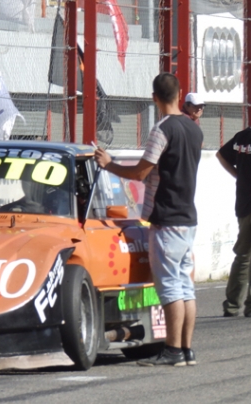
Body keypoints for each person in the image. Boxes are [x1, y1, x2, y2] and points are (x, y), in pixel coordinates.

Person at [94, 73, 203, 367]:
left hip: (166, 217)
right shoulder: (194, 130)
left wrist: (110, 165)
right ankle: (187, 350)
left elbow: (142, 172)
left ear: (154, 98)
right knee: (184, 287)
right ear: (180, 94)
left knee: (169, 288)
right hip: (187, 216)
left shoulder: (162, 129)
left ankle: (172, 350)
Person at [216, 98, 251, 318]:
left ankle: (231, 304)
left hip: (244, 203)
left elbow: (221, 155)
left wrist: (239, 175)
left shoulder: (243, 136)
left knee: (242, 254)